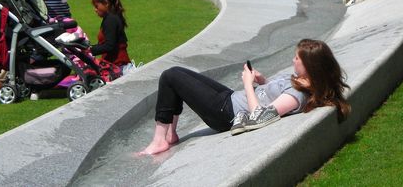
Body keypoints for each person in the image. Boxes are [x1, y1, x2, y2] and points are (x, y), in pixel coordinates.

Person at [138, 39, 350, 155]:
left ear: (310, 65)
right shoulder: (300, 80)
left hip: (227, 114)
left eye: (296, 58)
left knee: (171, 76)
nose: (293, 60)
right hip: (229, 99)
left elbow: (259, 116)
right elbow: (273, 96)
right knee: (178, 73)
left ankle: (159, 141)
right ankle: (170, 135)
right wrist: (261, 80)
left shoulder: (298, 94)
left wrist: (248, 83)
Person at [90, 0, 131, 67]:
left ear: (106, 3)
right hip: (113, 63)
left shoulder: (111, 19)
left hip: (118, 64)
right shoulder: (110, 17)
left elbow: (109, 46)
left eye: (96, 6)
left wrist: (89, 50)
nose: (95, 10)